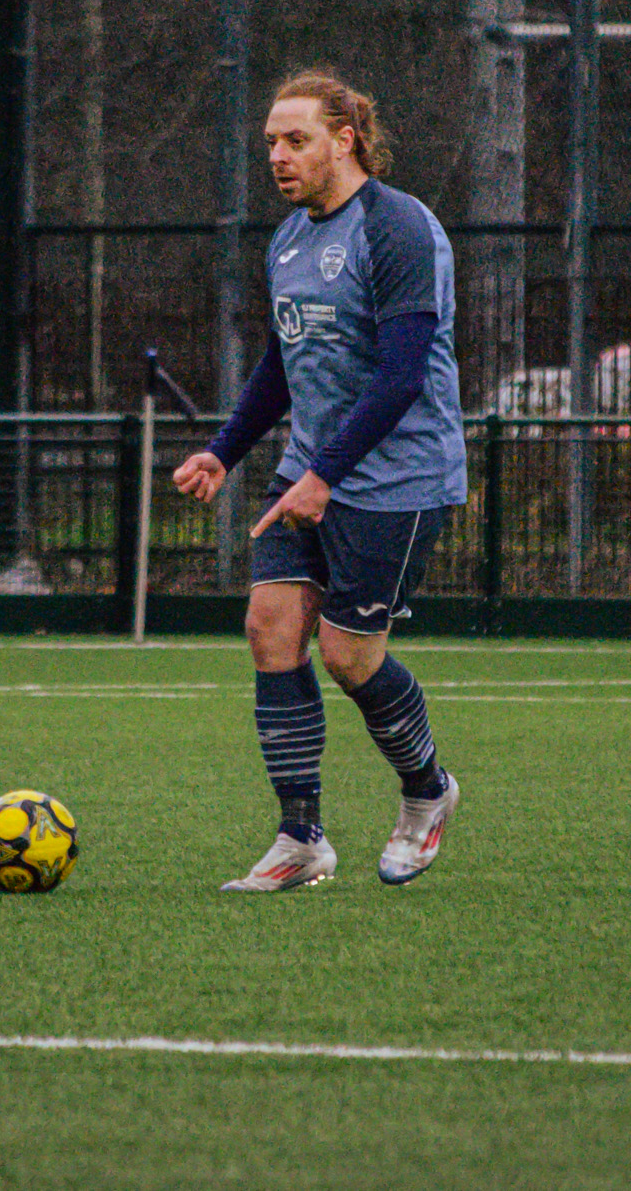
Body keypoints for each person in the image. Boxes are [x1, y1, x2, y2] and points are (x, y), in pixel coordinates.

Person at [173, 68, 469, 888]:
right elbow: (283, 358)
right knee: (271, 629)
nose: (277, 154)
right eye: (270, 140)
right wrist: (225, 450)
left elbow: (403, 372)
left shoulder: (399, 227)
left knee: (347, 654)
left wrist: (327, 474)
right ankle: (301, 838)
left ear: (346, 139)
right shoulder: (289, 238)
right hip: (313, 473)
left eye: (295, 138)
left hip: (397, 480)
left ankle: (426, 791)